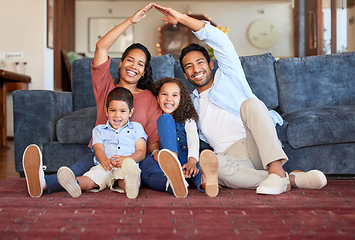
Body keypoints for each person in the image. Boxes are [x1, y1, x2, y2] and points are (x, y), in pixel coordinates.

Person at [153, 3, 327, 194]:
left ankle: (276, 171)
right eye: (189, 67)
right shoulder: (190, 103)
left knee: (251, 104)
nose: (196, 70)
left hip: (255, 143)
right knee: (209, 163)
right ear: (185, 75)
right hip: (228, 157)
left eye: (200, 62)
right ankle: (291, 179)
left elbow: (220, 40)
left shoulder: (229, 75)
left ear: (211, 64)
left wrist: (181, 18)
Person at [23, 3, 168, 198]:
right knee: (78, 168)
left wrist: (154, 155)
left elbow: (153, 136)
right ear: (121, 64)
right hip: (101, 154)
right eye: (130, 60)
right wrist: (130, 21)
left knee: (150, 172)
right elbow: (101, 46)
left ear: (143, 72)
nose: (134, 66)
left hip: (133, 157)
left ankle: (173, 182)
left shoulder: (150, 98)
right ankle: (42, 184)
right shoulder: (106, 88)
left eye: (140, 64)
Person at [56, 87, 147, 199]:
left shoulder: (136, 128)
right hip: (104, 167)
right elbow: (98, 149)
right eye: (113, 110)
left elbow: (141, 152)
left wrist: (128, 159)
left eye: (122, 111)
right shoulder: (99, 130)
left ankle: (130, 187)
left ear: (130, 112)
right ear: (106, 111)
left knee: (125, 179)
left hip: (126, 168)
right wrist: (104, 161)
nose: (117, 115)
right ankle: (75, 184)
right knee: (91, 179)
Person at [152, 77, 219, 198]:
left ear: (181, 99)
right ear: (157, 98)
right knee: (165, 118)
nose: (169, 98)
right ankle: (176, 176)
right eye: (164, 94)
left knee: (199, 171)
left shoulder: (188, 118)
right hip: (169, 160)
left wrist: (192, 161)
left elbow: (193, 138)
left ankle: (207, 184)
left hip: (189, 158)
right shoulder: (158, 119)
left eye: (174, 95)